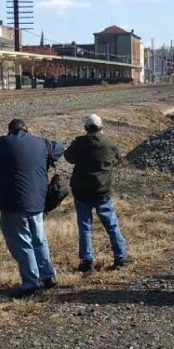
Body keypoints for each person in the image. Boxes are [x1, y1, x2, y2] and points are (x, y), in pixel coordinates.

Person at [0, 118, 66, 298]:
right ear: (27, 130)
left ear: (10, 131)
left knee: (21, 241)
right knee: (39, 238)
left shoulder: (3, 142)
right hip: (38, 201)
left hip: (13, 202)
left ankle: (31, 283)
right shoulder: (41, 143)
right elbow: (60, 147)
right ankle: (48, 275)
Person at [64, 114, 129, 272]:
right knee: (112, 226)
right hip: (102, 192)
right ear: (101, 128)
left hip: (81, 193)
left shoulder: (78, 144)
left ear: (86, 129)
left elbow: (68, 158)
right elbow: (119, 160)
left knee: (85, 228)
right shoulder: (110, 144)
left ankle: (87, 262)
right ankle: (121, 257)